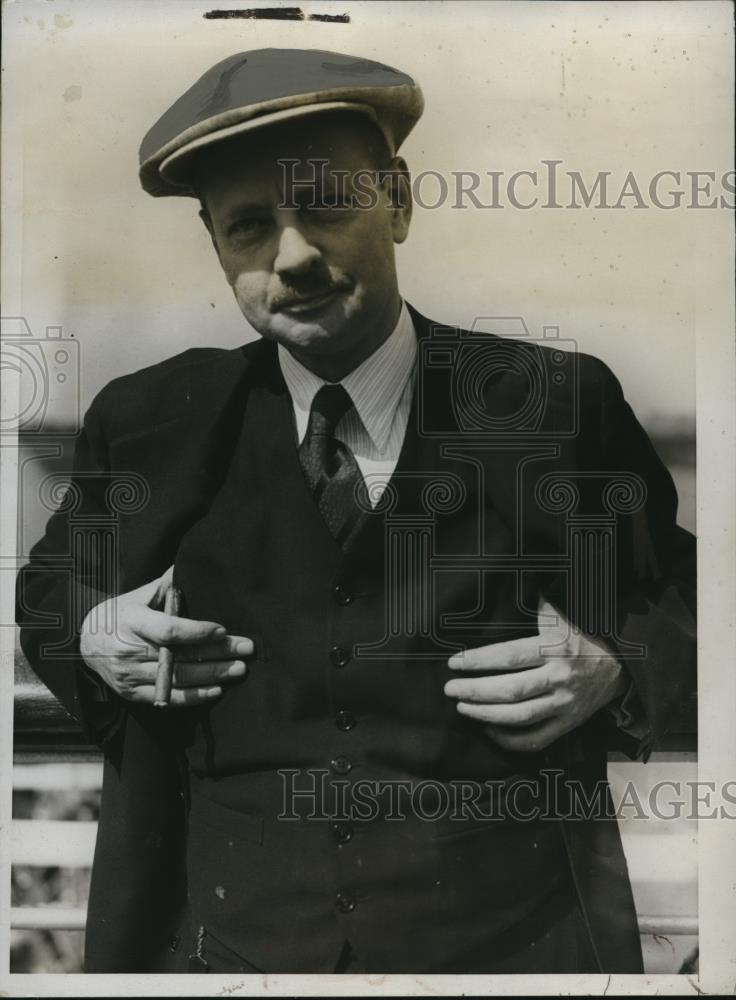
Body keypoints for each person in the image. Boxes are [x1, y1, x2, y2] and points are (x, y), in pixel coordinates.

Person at [16, 47, 696, 975]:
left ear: (400, 201)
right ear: (216, 248)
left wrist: (615, 666)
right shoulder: (148, 421)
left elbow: (691, 595)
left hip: (514, 959)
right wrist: (94, 629)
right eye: (249, 227)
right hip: (222, 958)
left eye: (327, 205)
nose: (292, 258)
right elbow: (53, 588)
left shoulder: (553, 407)